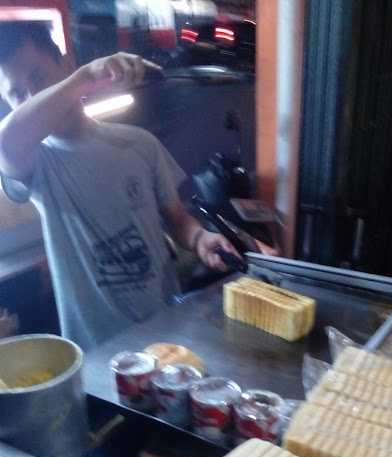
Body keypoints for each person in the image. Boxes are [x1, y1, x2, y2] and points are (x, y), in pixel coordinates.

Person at [0, 22, 240, 350]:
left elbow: (177, 219)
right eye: (16, 93)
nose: (31, 97)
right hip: (98, 350)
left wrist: (200, 238)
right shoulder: (35, 163)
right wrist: (86, 77)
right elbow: (6, 141)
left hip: (167, 329)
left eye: (38, 78)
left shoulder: (140, 144)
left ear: (65, 64)